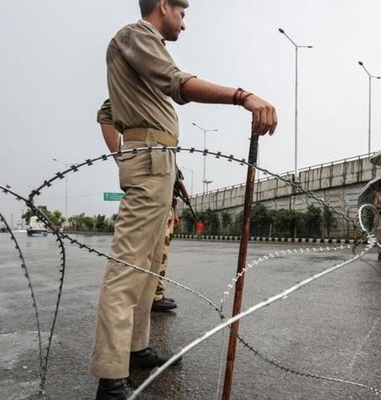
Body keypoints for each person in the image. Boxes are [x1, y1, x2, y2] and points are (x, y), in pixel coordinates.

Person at [90, 1, 277, 399]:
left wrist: (164, 169)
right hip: (148, 160)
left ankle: (136, 350)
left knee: (148, 268)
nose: (184, 23)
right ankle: (110, 378)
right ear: (163, 5)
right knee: (127, 267)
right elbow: (179, 84)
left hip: (160, 163)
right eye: (182, 13)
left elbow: (108, 110)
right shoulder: (135, 36)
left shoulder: (142, 51)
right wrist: (242, 96)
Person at [151, 165, 190, 312]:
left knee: (160, 256)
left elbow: (175, 186)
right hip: (158, 208)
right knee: (160, 255)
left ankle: (156, 293)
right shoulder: (162, 151)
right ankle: (155, 296)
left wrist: (174, 211)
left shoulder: (169, 157)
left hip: (164, 208)